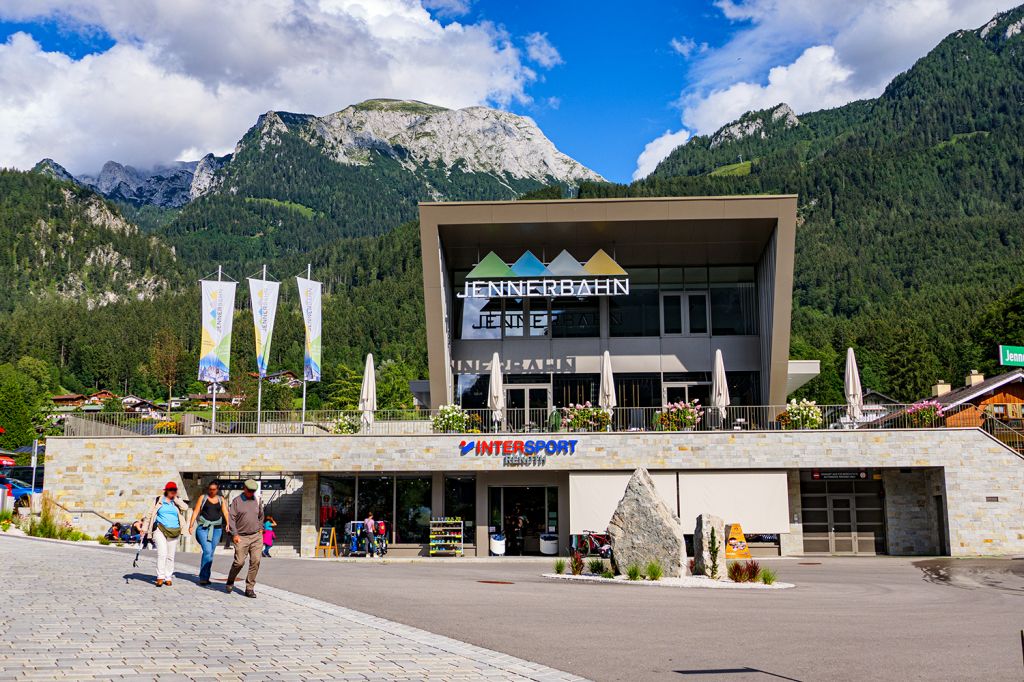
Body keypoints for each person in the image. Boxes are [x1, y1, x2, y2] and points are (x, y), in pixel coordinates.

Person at [142, 481, 190, 587]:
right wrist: (144, 528)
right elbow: (149, 514)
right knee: (162, 553)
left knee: (170, 556)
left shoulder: (177, 502)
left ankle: (168, 577)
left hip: (174, 530)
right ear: (166, 491)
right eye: (171, 490)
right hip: (160, 528)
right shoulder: (158, 500)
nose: (173, 492)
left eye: (174, 490)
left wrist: (176, 499)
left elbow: (185, 508)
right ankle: (160, 576)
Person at [226, 479, 264, 598]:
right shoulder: (236, 501)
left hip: (256, 536)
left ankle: (249, 587)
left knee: (256, 561)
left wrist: (261, 528)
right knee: (239, 562)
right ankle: (231, 579)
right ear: (244, 489)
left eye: (253, 491)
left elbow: (261, 515)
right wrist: (235, 534)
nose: (251, 493)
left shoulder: (257, 500)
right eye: (250, 491)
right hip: (241, 536)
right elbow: (231, 519)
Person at [188, 481, 231, 586]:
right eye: (210, 489)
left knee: (210, 553)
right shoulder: (203, 498)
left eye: (214, 489)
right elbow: (196, 511)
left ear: (217, 489)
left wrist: (228, 523)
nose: (211, 491)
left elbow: (225, 512)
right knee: (207, 551)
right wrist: (191, 525)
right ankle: (203, 577)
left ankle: (205, 576)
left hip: (216, 529)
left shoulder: (221, 499)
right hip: (203, 528)